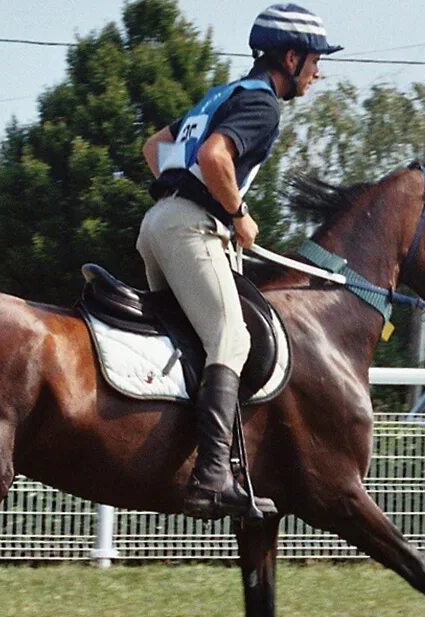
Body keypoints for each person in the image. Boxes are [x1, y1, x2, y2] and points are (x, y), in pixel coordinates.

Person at [137, 3, 342, 520]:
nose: (318, 73)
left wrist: (180, 194)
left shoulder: (223, 93)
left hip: (158, 225)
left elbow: (154, 146)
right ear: (291, 58)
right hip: (189, 230)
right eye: (316, 61)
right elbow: (215, 157)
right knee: (232, 339)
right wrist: (237, 213)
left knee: (189, 344)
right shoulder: (264, 105)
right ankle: (211, 477)